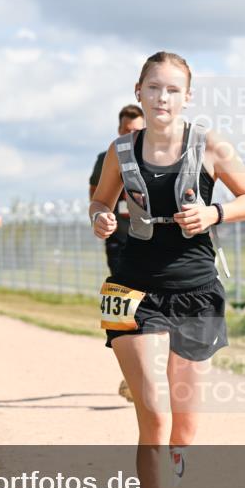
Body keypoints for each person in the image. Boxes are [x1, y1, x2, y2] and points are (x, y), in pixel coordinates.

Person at [89, 51, 245, 488]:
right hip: (132, 288)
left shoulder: (212, 146)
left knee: (183, 426)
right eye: (154, 88)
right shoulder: (120, 152)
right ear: (139, 92)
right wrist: (101, 218)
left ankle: (177, 459)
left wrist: (214, 212)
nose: (163, 98)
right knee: (156, 417)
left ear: (187, 97)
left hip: (194, 291)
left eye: (173, 90)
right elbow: (101, 202)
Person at [91, 104, 146, 403]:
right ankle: (129, 372)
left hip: (151, 244)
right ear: (119, 130)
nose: (131, 135)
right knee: (123, 307)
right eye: (126, 131)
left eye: (136, 130)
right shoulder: (108, 157)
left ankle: (142, 374)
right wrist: (102, 214)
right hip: (119, 241)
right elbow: (96, 198)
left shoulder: (157, 156)